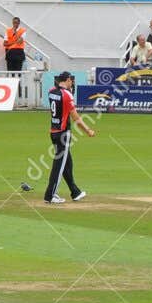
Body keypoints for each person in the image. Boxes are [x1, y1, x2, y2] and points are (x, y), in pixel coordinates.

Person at [45, 70, 95, 204]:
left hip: (54, 131)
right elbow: (75, 117)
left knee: (67, 162)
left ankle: (75, 192)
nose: (72, 83)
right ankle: (50, 195)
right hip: (63, 133)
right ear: (67, 80)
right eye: (71, 81)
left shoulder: (51, 91)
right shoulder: (66, 94)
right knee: (59, 165)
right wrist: (88, 130)